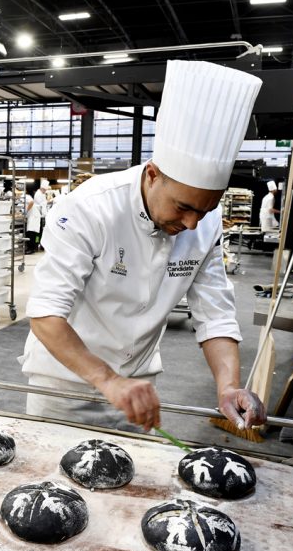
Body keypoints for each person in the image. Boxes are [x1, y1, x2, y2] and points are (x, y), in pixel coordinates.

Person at [20, 60, 267, 434]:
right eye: (183, 207)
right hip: (64, 388)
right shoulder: (91, 207)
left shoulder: (204, 222)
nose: (191, 224)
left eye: (206, 208)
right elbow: (46, 314)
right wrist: (108, 380)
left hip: (138, 392)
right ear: (153, 175)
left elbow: (214, 313)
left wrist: (228, 384)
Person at [25, 180, 48, 254]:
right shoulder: (38, 194)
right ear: (42, 188)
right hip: (37, 215)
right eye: (44, 190)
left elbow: (32, 203)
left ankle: (33, 248)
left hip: (36, 216)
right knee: (34, 233)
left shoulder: (27, 196)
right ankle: (33, 247)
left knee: (33, 233)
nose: (45, 191)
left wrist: (25, 211)